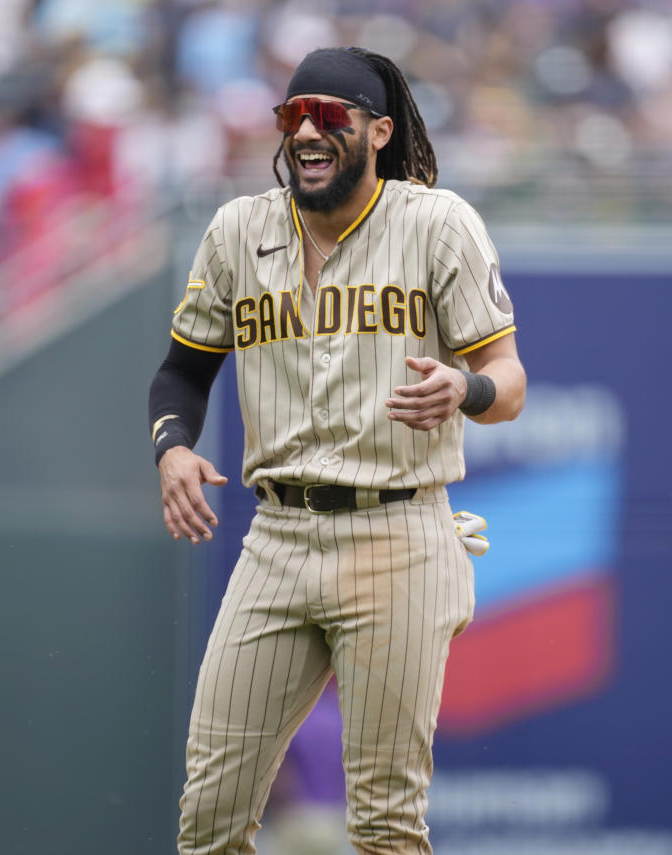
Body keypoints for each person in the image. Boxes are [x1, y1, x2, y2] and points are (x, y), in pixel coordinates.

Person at [148, 46, 526, 855]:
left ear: (380, 130)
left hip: (399, 533)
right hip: (276, 538)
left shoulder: (435, 220)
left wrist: (468, 390)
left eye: (331, 115)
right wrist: (172, 448)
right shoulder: (238, 229)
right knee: (208, 820)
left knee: (386, 824)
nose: (308, 132)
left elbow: (509, 378)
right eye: (294, 116)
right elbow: (181, 373)